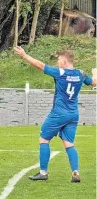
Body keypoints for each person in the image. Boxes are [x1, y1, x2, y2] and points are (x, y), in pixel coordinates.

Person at [14, 47, 96, 182]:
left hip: (58, 113)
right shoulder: (80, 74)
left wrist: (24, 56)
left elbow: (41, 66)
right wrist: (95, 73)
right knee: (69, 143)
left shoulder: (60, 72)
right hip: (73, 114)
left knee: (44, 139)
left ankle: (43, 172)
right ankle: (75, 172)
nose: (57, 62)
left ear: (64, 61)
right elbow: (93, 82)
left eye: (59, 60)